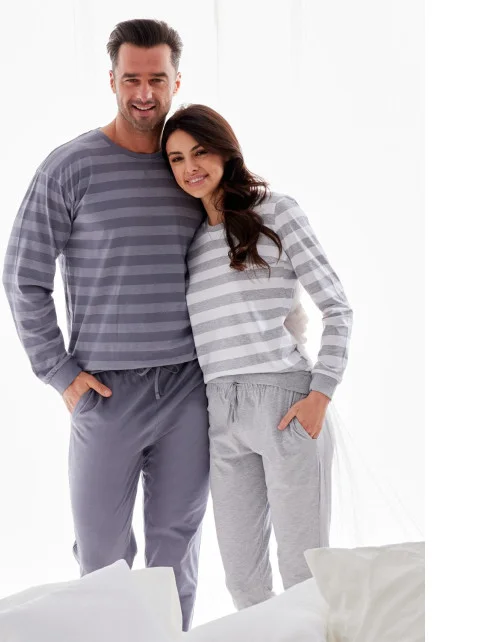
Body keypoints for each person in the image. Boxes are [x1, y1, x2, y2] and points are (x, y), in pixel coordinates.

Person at [2, 20, 210, 631]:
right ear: (112, 80)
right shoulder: (70, 167)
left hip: (187, 388)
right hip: (105, 392)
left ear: (177, 82)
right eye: (132, 79)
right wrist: (60, 373)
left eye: (157, 79)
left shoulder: (189, 169)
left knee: (176, 555)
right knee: (101, 559)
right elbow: (23, 276)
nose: (144, 93)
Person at [161, 104, 354, 609]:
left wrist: (321, 393)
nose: (189, 167)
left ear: (226, 151)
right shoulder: (191, 243)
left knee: (303, 573)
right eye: (177, 159)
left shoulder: (278, 211)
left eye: (200, 152)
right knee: (243, 582)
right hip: (220, 413)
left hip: (285, 403)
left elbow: (337, 307)